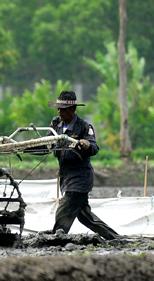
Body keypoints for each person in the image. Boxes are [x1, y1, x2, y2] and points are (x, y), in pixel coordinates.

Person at [45, 90, 120, 240]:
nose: (59, 111)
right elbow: (47, 143)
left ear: (73, 109)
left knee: (65, 207)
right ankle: (115, 238)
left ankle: (57, 237)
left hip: (80, 178)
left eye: (63, 109)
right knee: (86, 218)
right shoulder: (56, 123)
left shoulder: (84, 126)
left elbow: (94, 147)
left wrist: (86, 145)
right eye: (58, 108)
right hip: (65, 176)